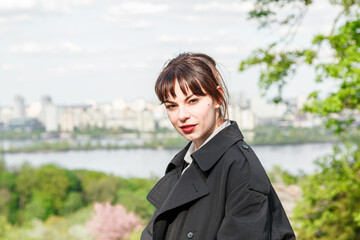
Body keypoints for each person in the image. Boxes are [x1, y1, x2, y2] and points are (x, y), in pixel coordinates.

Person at [141, 53, 296, 240]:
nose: (182, 115)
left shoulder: (239, 167)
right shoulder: (185, 163)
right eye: (171, 106)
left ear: (217, 98)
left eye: (192, 101)